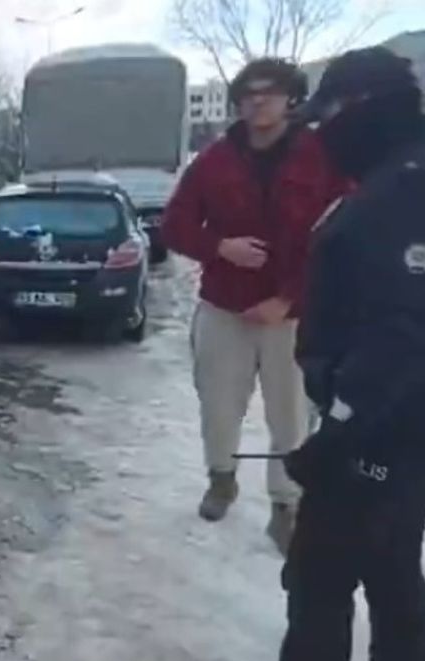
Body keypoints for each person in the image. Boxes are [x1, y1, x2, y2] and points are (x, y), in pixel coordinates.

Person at [259, 47, 425, 661]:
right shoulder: (411, 172)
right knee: (390, 563)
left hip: (388, 422)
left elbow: (405, 330)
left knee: (320, 572)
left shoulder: (410, 188)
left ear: (359, 107)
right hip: (407, 413)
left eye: (325, 118)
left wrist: (343, 431)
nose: (321, 135)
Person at [162, 58, 346, 553]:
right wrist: (219, 247)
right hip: (225, 309)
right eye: (248, 93)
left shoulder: (321, 158)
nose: (258, 100)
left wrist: (289, 297)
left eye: (270, 91)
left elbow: (341, 236)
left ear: (291, 99)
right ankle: (221, 479)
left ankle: (285, 507)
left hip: (293, 315)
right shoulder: (214, 161)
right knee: (218, 407)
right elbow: (174, 225)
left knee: (291, 417)